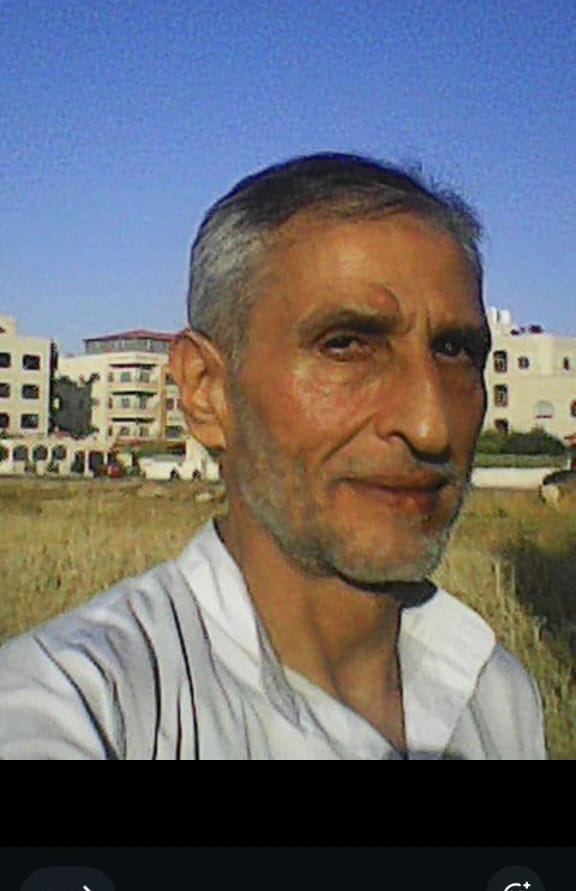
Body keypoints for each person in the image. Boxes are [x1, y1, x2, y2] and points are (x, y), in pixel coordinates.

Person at [0, 153, 547, 759]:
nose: (429, 425)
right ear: (206, 391)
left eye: (454, 351)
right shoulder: (81, 708)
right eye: (346, 346)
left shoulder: (495, 694)